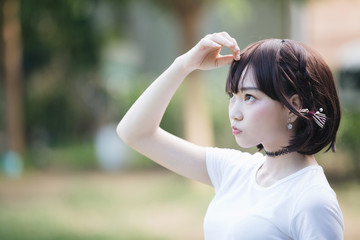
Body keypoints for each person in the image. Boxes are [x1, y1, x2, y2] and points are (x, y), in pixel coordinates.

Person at [117, 32, 344, 239]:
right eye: (232, 96)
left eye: (249, 97)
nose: (234, 113)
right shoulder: (235, 171)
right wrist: (183, 65)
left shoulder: (312, 201)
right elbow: (134, 133)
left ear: (293, 106)